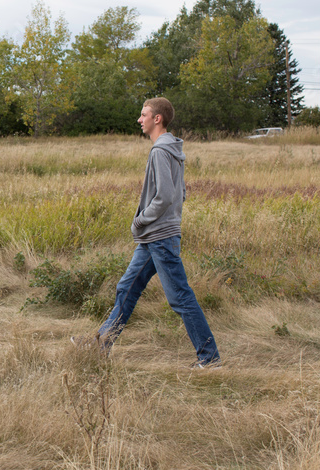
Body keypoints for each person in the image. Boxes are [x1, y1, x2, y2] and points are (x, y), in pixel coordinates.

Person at [83, 97, 220, 368]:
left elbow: (167, 195)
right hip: (155, 237)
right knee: (127, 287)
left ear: (157, 118)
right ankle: (102, 343)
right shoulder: (172, 149)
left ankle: (209, 356)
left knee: (180, 297)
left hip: (159, 235)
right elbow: (181, 192)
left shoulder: (160, 151)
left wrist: (140, 221)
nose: (139, 119)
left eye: (144, 114)